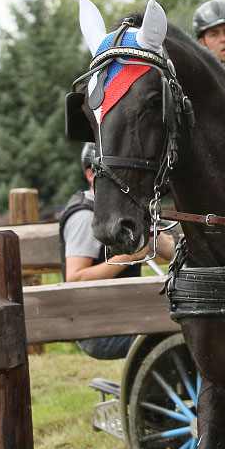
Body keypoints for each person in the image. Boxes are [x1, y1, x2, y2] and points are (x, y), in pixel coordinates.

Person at [59, 142, 175, 359]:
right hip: (97, 329)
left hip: (124, 313)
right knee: (175, 327)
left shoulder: (124, 211)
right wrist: (128, 256)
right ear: (90, 175)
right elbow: (75, 280)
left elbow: (168, 249)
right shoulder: (84, 217)